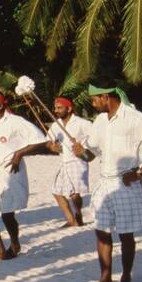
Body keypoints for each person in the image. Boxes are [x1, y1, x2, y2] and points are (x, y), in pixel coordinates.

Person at [74, 85, 142, 282]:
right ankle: (105, 280)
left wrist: (140, 173)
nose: (93, 103)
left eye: (95, 99)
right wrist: (80, 152)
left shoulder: (135, 118)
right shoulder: (99, 121)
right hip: (104, 183)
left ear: (106, 97)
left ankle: (126, 277)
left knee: (126, 235)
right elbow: (91, 155)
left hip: (126, 183)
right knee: (101, 231)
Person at [0, 91, 45, 259]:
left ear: (0, 106)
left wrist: (19, 154)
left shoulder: (16, 122)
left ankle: (14, 244)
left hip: (12, 170)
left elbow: (40, 141)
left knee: (7, 213)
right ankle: (0, 249)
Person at [45, 96, 91, 228]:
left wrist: (84, 147)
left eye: (59, 108)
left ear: (69, 108)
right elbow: (48, 141)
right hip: (63, 161)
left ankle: (78, 214)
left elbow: (95, 138)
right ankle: (70, 219)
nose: (56, 110)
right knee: (56, 191)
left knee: (75, 193)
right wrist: (52, 146)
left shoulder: (82, 123)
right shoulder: (56, 124)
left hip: (78, 161)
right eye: (55, 108)